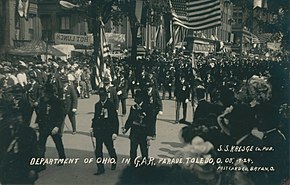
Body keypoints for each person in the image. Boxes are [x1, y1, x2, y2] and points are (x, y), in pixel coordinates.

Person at [90, 87, 119, 175]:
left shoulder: (110, 105)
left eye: (103, 95)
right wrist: (92, 127)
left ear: (106, 95)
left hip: (108, 131)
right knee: (98, 150)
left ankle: (114, 160)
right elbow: (95, 117)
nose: (101, 97)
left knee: (110, 148)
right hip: (99, 131)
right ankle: (100, 168)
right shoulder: (97, 105)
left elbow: (115, 120)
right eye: (100, 95)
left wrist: (115, 132)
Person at [122, 90, 154, 166]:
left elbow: (151, 122)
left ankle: (145, 166)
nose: (135, 98)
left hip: (143, 133)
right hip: (134, 132)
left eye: (137, 97)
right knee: (133, 151)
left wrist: (150, 134)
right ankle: (133, 166)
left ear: (141, 98)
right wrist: (126, 128)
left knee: (144, 151)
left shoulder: (148, 108)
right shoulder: (133, 107)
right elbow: (130, 119)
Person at [37, 84, 66, 163]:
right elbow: (40, 113)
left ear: (51, 94)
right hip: (43, 125)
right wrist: (38, 122)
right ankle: (40, 160)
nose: (45, 95)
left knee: (58, 143)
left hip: (53, 125)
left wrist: (57, 126)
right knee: (41, 144)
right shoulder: (42, 100)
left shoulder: (56, 101)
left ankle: (62, 158)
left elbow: (60, 115)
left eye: (47, 93)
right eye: (45, 93)